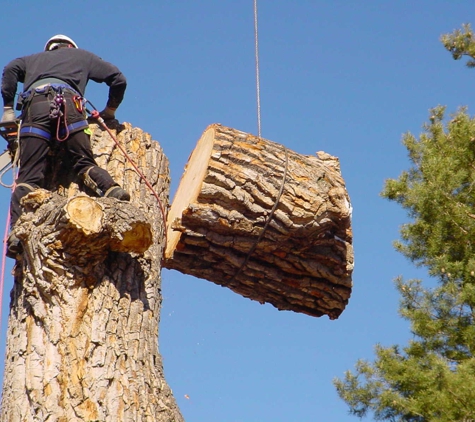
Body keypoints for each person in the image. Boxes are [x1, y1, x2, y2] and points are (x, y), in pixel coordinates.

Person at [1, 34, 130, 258]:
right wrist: (109, 111)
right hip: (71, 107)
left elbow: (10, 69)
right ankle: (111, 189)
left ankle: (17, 233)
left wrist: (8, 109)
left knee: (28, 178)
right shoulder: (83, 57)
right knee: (84, 163)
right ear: (70, 46)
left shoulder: (30, 60)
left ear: (49, 49)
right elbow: (119, 79)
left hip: (36, 109)